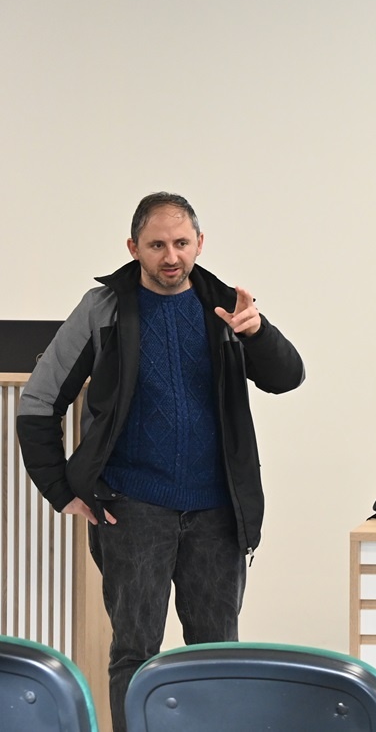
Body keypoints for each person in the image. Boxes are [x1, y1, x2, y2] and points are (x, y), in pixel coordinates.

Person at [17, 192, 305, 731]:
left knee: (216, 655)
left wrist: (257, 332)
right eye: (156, 245)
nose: (171, 256)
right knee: (134, 653)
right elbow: (38, 402)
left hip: (217, 512)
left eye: (181, 243)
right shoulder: (102, 309)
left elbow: (287, 377)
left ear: (199, 243)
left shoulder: (226, 307)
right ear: (133, 247)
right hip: (132, 508)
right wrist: (61, 489)